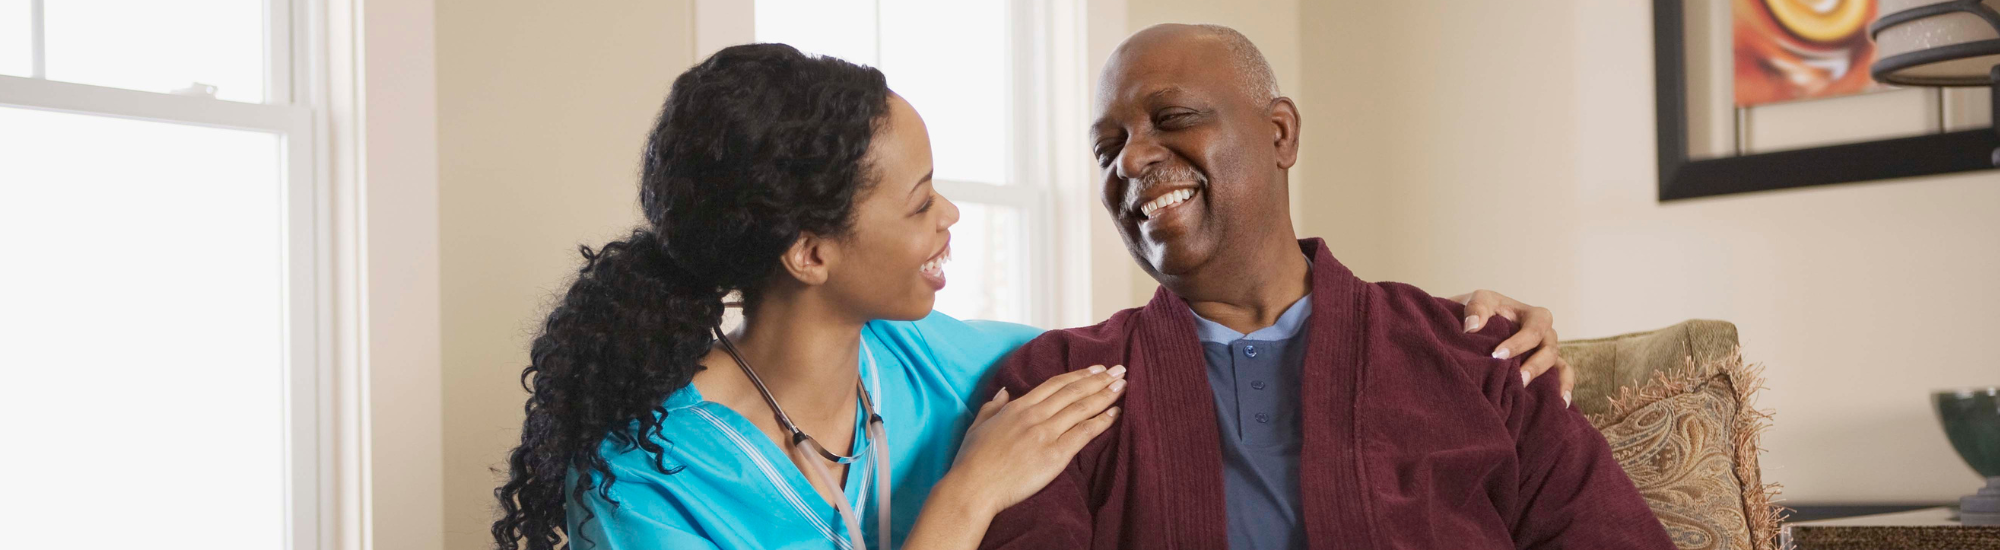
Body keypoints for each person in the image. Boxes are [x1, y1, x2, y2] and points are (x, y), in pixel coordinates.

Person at [491, 43, 1568, 550]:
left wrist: (1466, 337)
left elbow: (1201, 343)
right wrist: (962, 501)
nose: (949, 216)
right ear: (810, 253)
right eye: (919, 203)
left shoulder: (960, 368)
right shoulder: (641, 481)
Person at [975, 25, 1675, 550]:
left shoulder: (1480, 356)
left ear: (1280, 133)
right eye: (1107, 148)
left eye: (1174, 118)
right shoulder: (1053, 386)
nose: (1130, 159)